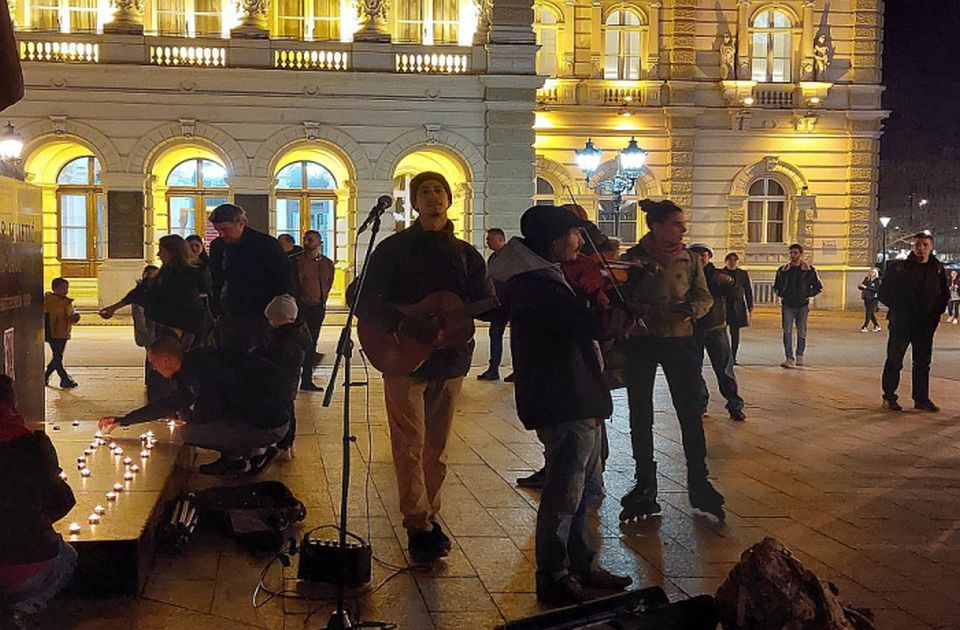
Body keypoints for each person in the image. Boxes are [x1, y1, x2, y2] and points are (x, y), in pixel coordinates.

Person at [489, 205, 632, 606]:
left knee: (584, 488)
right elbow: (594, 327)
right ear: (553, 241)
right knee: (564, 493)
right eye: (574, 234)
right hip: (564, 394)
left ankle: (582, 564)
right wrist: (608, 301)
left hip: (575, 391)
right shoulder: (539, 285)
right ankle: (553, 574)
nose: (580, 243)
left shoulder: (544, 279)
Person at [353, 171, 494, 562]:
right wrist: (406, 322)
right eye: (425, 192)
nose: (433, 198)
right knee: (408, 444)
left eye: (439, 192)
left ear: (450, 201)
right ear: (414, 203)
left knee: (439, 447)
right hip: (402, 357)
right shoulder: (393, 249)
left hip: (450, 359)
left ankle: (431, 513)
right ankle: (416, 522)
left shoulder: (467, 255)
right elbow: (360, 295)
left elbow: (485, 302)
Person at [618, 200, 725, 522]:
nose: (682, 229)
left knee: (690, 412)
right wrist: (649, 310)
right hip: (644, 341)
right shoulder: (634, 259)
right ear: (656, 225)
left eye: (682, 223)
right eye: (676, 223)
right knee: (640, 413)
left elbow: (704, 296)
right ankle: (645, 483)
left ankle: (699, 481)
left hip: (680, 340)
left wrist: (691, 310)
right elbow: (623, 300)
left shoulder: (690, 258)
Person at [98, 336, 292, 476]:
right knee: (191, 423)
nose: (153, 367)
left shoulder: (203, 372)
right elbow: (170, 402)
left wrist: (186, 416)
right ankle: (249, 453)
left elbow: (210, 413)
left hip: (268, 425)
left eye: (153, 361)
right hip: (271, 419)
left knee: (188, 433)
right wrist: (124, 420)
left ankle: (241, 457)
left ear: (167, 359)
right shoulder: (193, 365)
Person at [0, 376, 77, 621]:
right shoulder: (33, 446)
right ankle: (24, 608)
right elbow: (62, 499)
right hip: (27, 562)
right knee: (68, 556)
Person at [878, 233, 950, 412]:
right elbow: (884, 292)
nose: (921, 248)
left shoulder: (937, 268)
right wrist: (899, 308)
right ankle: (889, 396)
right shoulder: (899, 268)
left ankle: (921, 398)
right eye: (918, 245)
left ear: (931, 247)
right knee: (895, 360)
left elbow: (944, 294)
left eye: (925, 245)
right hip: (902, 322)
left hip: (925, 325)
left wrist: (936, 314)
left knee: (923, 362)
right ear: (913, 247)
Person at [100, 235, 211, 349]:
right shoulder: (164, 273)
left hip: (182, 330)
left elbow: (188, 303)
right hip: (171, 328)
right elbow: (140, 292)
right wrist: (113, 308)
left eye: (161, 250)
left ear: (172, 252)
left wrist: (181, 331)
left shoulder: (186, 275)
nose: (158, 255)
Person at [208, 204, 292, 351]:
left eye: (225, 229)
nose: (221, 234)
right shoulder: (218, 246)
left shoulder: (266, 245)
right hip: (229, 316)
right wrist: (217, 310)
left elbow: (283, 281)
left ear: (241, 224)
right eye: (217, 230)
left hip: (261, 317)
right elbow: (216, 279)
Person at [689, 245, 746, 422]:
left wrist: (729, 283)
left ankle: (735, 405)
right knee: (693, 370)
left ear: (709, 257)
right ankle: (700, 404)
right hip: (694, 329)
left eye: (703, 256)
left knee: (724, 370)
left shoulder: (715, 276)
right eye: (696, 256)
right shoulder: (686, 276)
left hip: (715, 327)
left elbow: (736, 292)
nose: (700, 259)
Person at [253, 295, 314, 460]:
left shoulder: (286, 339)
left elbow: (275, 359)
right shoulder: (291, 334)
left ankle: (285, 445)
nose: (269, 322)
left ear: (282, 319)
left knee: (286, 414)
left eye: (271, 319)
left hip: (283, 384)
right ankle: (285, 445)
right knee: (287, 411)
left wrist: (259, 356)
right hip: (286, 384)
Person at [291, 230, 335, 391]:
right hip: (301, 307)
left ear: (319, 242)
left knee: (312, 342)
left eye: (310, 239)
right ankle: (295, 376)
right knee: (299, 343)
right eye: (305, 239)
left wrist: (322, 301)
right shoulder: (297, 262)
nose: (306, 242)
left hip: (318, 307)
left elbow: (329, 282)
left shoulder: (327, 264)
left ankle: (307, 379)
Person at [773, 243, 823, 368]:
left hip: (802, 305)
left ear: (800, 254)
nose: (793, 255)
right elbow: (776, 286)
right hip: (787, 304)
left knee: (802, 331)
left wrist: (807, 294)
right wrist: (781, 293)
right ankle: (789, 357)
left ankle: (799, 354)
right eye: (791, 253)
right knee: (787, 331)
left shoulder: (809, 270)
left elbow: (818, 287)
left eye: (795, 253)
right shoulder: (783, 270)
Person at [477, 227, 510, 382]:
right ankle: (493, 368)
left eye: (490, 239)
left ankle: (496, 369)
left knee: (509, 337)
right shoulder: (493, 257)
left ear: (500, 239)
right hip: (498, 304)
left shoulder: (509, 257)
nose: (487, 242)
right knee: (495, 334)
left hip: (508, 302)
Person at [43, 278, 80, 389]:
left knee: (57, 356)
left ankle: (46, 377)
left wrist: (74, 318)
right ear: (54, 288)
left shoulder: (67, 302)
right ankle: (64, 378)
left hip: (63, 331)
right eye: (62, 287)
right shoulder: (50, 301)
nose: (65, 290)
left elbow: (68, 317)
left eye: (66, 287)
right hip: (54, 332)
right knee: (58, 356)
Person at [718, 253, 753, 365]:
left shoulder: (742, 274)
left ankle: (733, 356)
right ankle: (724, 356)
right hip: (724, 305)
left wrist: (750, 305)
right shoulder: (720, 273)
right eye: (730, 260)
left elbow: (747, 289)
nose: (732, 262)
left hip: (737, 305)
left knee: (735, 333)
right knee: (721, 332)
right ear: (726, 261)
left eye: (734, 260)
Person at [858, 268, 882, 332]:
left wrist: (867, 287)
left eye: (873, 272)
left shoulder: (877, 280)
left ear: (876, 273)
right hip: (866, 297)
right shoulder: (867, 279)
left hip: (873, 299)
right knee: (870, 313)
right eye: (871, 272)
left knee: (868, 312)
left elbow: (877, 290)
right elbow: (861, 286)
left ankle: (864, 326)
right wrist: (860, 286)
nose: (871, 273)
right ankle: (877, 325)